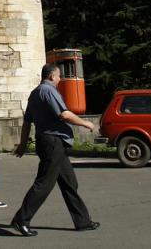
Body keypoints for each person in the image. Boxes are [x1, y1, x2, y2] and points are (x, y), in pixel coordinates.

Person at [10, 63, 99, 238]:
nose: (60, 79)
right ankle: (22, 220)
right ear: (51, 76)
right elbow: (64, 114)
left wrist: (22, 144)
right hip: (53, 143)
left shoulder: (35, 93)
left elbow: (27, 122)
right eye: (59, 76)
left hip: (51, 143)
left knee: (69, 182)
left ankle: (83, 222)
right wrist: (86, 123)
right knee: (44, 183)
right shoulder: (48, 91)